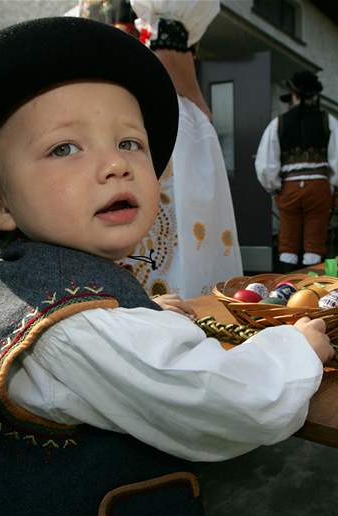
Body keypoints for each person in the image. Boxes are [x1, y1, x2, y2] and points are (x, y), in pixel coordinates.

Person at [0, 19, 333, 516]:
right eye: (64, 148)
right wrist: (296, 349)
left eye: (130, 143)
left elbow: (101, 350)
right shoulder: (78, 328)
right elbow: (225, 401)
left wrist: (143, 314)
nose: (115, 166)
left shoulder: (19, 282)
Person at [78, 0, 243, 298]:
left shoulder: (85, 12)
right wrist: (199, 102)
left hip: (94, 119)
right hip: (158, 114)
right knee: (176, 221)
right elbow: (169, 54)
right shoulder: (168, 8)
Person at [255, 71, 338, 270]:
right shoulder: (328, 121)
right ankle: (312, 289)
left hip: (289, 187)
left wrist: (274, 189)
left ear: (293, 94)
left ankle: (287, 287)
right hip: (318, 187)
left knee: (288, 241)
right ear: (315, 95)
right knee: (315, 241)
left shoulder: (278, 123)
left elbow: (266, 163)